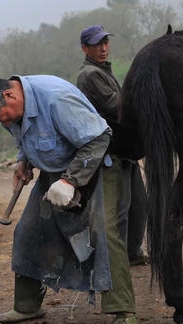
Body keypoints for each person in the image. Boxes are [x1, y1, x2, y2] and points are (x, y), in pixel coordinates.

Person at [0, 75, 137, 324]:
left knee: (102, 232)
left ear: (9, 96)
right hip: (54, 172)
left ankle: (124, 315)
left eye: (3, 118)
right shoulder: (9, 109)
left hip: (95, 166)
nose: (5, 124)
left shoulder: (56, 99)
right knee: (28, 231)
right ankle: (27, 305)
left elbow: (99, 139)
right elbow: (25, 137)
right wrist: (23, 161)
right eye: (0, 122)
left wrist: (71, 180)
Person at [76, 25, 148, 266]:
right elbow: (118, 108)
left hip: (125, 146)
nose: (104, 48)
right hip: (112, 148)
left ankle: (132, 252)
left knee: (139, 202)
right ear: (85, 48)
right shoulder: (89, 74)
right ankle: (118, 259)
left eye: (106, 42)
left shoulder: (102, 70)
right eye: (97, 44)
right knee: (122, 206)